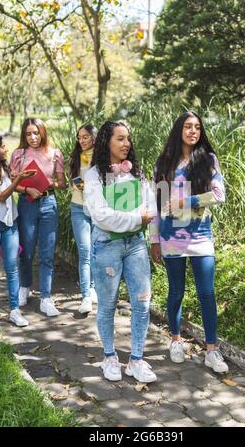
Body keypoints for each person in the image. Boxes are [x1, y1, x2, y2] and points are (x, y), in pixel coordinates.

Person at [150, 111, 229, 373]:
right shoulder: (164, 163)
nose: (193, 131)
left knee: (207, 293)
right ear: (178, 130)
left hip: (200, 238)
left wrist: (187, 202)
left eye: (197, 127)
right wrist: (155, 240)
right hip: (171, 238)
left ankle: (211, 350)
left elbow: (218, 195)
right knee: (176, 292)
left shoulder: (208, 160)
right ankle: (175, 341)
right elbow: (156, 205)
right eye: (187, 126)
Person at [85, 120, 157, 383]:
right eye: (120, 139)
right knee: (107, 305)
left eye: (128, 139)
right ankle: (109, 357)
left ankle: (136, 360)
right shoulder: (93, 176)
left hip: (136, 245)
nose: (126, 144)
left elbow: (150, 205)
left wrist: (142, 223)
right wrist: (137, 218)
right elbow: (101, 216)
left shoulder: (135, 171)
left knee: (142, 302)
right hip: (106, 247)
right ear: (107, 142)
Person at [10, 118, 66, 317]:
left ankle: (46, 298)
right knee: (26, 251)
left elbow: (62, 183)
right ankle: (24, 287)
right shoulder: (19, 155)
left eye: (36, 133)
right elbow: (12, 184)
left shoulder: (55, 154)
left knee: (47, 253)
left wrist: (50, 184)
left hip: (49, 204)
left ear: (43, 132)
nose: (33, 137)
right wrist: (27, 188)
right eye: (28, 134)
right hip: (27, 204)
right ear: (24, 135)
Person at [0, 135, 35, 326]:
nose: (6, 148)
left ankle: (15, 310)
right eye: (2, 146)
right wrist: (18, 181)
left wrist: (22, 182)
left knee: (12, 266)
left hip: (10, 222)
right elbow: (0, 196)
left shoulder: (5, 167)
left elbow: (11, 188)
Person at [69, 123, 97, 314]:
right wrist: (83, 187)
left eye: (85, 136)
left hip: (98, 210)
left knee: (96, 249)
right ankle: (86, 295)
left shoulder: (102, 157)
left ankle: (94, 287)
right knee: (85, 250)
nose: (82, 140)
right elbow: (73, 180)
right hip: (78, 207)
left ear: (94, 137)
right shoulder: (75, 158)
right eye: (79, 137)